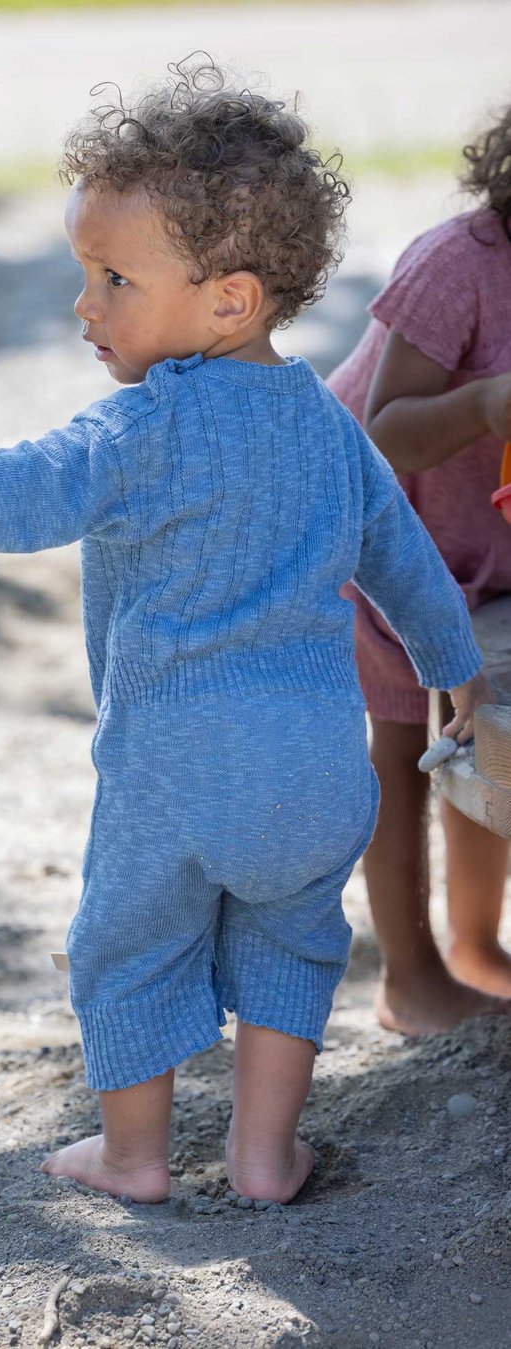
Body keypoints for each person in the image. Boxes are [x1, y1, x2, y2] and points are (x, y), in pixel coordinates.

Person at [0, 61, 491, 1205]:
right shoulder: (330, 427)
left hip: (172, 764)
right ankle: (265, 1157)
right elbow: (404, 562)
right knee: (293, 943)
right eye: (85, 273)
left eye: (114, 278)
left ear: (230, 300)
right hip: (317, 768)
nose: (86, 305)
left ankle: (133, 1155)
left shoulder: (140, 428)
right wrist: (455, 667)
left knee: (133, 947)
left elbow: (28, 484)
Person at [328, 103, 511, 1036]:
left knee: (482, 729)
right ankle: (409, 975)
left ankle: (476, 946)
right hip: (382, 528)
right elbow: (386, 428)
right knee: (405, 746)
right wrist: (482, 404)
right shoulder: (459, 263)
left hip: (483, 540)